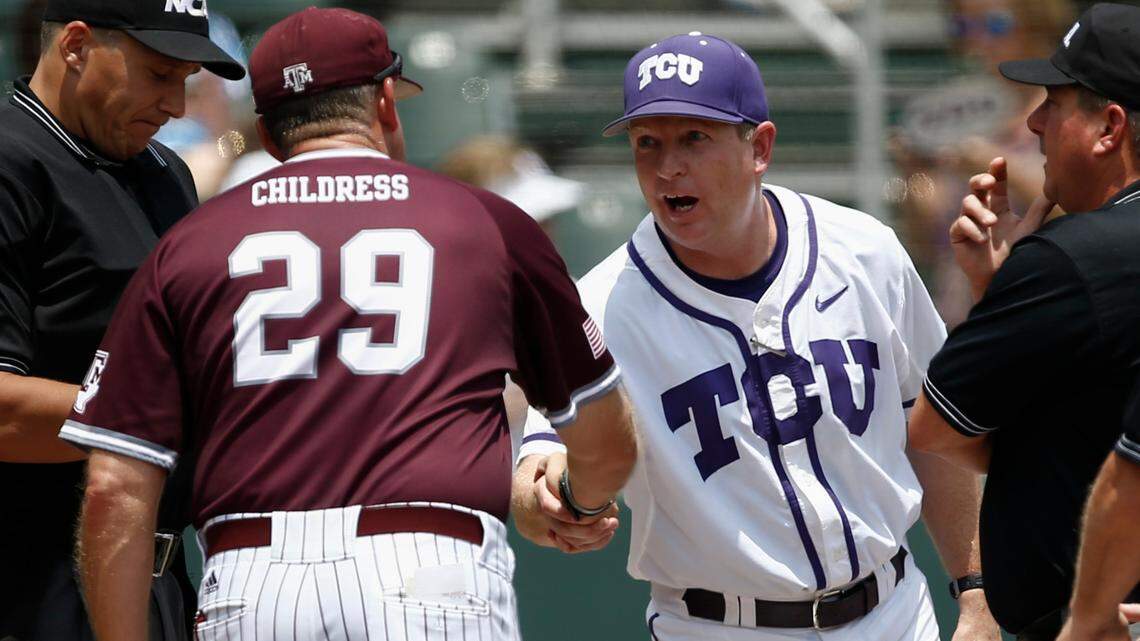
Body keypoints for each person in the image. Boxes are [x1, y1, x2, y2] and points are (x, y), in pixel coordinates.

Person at [61, 7, 636, 641]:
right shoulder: (489, 223)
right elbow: (605, 443)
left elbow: (115, 487)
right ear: (386, 102)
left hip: (252, 582)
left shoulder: (187, 245)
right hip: (431, 572)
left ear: (270, 135)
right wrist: (577, 502)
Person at [512, 31, 999, 641]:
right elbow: (535, 479)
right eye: (647, 143)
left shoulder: (864, 251)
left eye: (695, 138)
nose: (668, 168)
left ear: (759, 146)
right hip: (719, 625)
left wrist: (975, 591)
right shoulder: (601, 306)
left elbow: (932, 435)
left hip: (895, 613)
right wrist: (549, 506)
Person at [0, 0, 243, 638]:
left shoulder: (167, 176)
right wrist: (172, 418)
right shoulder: (9, 159)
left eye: (187, 80)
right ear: (75, 45)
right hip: (29, 587)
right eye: (159, 74)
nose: (177, 105)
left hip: (160, 577)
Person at [908, 3, 1140, 639]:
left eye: (1056, 103)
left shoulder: (1071, 259)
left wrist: (1016, 283)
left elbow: (933, 430)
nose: (1035, 121)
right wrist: (1001, 288)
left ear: (1108, 127)